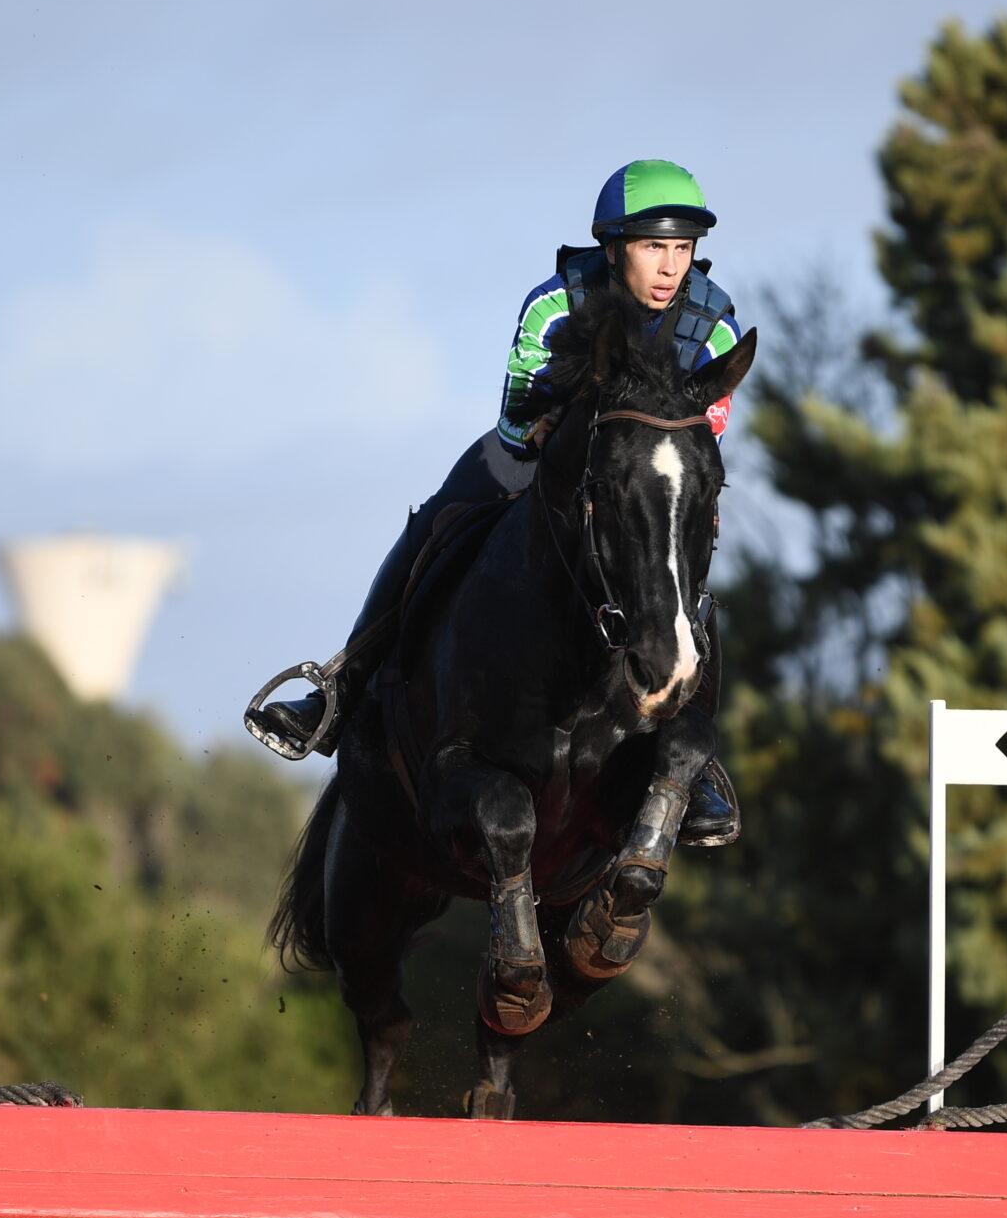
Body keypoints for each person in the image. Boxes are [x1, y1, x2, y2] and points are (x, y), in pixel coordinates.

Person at [244, 158, 742, 846]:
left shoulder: (716, 326)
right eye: (653, 247)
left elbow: (700, 440)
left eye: (682, 248)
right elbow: (514, 423)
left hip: (636, 483)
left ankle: (696, 760)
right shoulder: (554, 303)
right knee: (436, 522)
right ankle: (339, 688)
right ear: (612, 248)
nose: (670, 267)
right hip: (539, 460)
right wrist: (563, 428)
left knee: (682, 562)